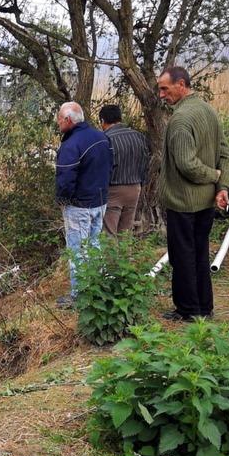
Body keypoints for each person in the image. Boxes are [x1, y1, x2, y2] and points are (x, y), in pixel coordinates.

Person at [157, 66, 229, 321]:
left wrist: (216, 178)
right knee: (200, 253)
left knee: (182, 256)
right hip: (206, 202)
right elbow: (226, 154)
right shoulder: (208, 111)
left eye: (164, 88)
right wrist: (222, 188)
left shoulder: (180, 120)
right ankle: (204, 308)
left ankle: (188, 310)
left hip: (183, 201)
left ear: (181, 84)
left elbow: (187, 165)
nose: (161, 94)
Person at [54, 101, 113, 307]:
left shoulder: (71, 144)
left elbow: (65, 178)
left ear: (68, 120)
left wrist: (63, 201)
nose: (58, 124)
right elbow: (110, 167)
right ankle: (96, 288)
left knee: (77, 250)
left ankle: (79, 297)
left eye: (60, 120)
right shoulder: (101, 136)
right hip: (100, 202)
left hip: (79, 206)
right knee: (94, 246)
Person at [98, 105, 150, 235]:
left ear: (102, 121)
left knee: (109, 233)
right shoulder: (138, 136)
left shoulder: (105, 139)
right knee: (125, 233)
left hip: (113, 190)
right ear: (120, 118)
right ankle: (125, 255)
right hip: (135, 189)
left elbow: (102, 168)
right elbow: (145, 164)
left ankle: (112, 256)